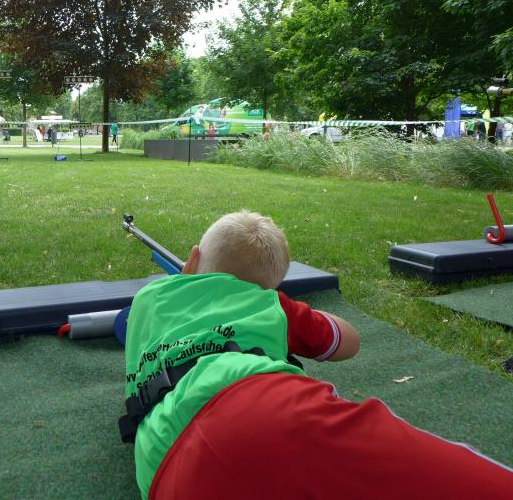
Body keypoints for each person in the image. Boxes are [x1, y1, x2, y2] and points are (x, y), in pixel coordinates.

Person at [122, 211, 513, 500]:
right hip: (261, 408)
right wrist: (288, 309)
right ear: (271, 286)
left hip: (160, 466)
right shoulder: (272, 305)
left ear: (192, 261)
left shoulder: (147, 300)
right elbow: (347, 341)